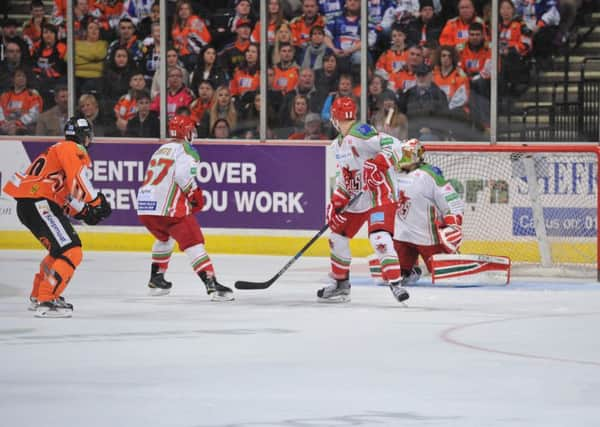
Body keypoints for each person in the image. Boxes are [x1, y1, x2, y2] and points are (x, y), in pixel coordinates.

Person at [2, 117, 112, 317]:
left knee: (59, 250)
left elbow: (62, 195)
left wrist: (85, 212)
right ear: (82, 136)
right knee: (72, 251)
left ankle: (39, 294)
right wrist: (96, 203)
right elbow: (77, 178)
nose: (89, 140)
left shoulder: (57, 150)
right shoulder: (71, 148)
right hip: (40, 204)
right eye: (88, 136)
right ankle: (46, 299)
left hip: (31, 204)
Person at [317, 96, 409, 303]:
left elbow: (395, 145)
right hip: (358, 199)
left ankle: (396, 284)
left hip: (380, 195)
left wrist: (377, 163)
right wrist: (336, 204)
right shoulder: (337, 145)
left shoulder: (361, 132)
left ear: (334, 117)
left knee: (379, 238)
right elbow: (345, 179)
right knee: (337, 237)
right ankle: (341, 285)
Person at [136, 115, 234, 301]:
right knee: (194, 241)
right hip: (168, 209)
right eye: (192, 129)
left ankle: (156, 280)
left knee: (164, 238)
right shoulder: (188, 151)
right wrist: (194, 194)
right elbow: (182, 175)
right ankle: (212, 285)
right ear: (187, 132)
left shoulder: (161, 149)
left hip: (145, 207)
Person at [370, 139, 464, 285]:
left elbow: (452, 201)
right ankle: (410, 270)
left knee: (447, 279)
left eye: (407, 154)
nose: (402, 158)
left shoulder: (429, 174)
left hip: (427, 238)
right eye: (401, 154)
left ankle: (446, 259)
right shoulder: (391, 173)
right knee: (388, 278)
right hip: (402, 237)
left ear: (417, 156)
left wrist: (454, 225)